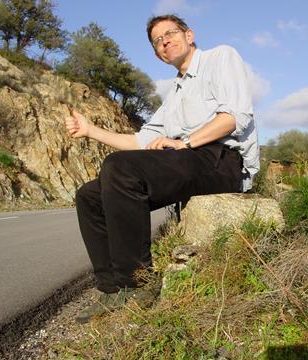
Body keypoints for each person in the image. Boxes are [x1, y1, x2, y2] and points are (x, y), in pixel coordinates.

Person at [65, 14, 259, 323]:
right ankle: (112, 289)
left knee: (119, 168)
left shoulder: (219, 58)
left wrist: (186, 143)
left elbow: (235, 116)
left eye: (170, 33)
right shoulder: (174, 96)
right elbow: (140, 140)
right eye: (158, 40)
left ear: (189, 34)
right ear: (158, 54)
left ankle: (138, 283)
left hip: (223, 160)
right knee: (90, 194)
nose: (165, 40)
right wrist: (91, 131)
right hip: (187, 160)